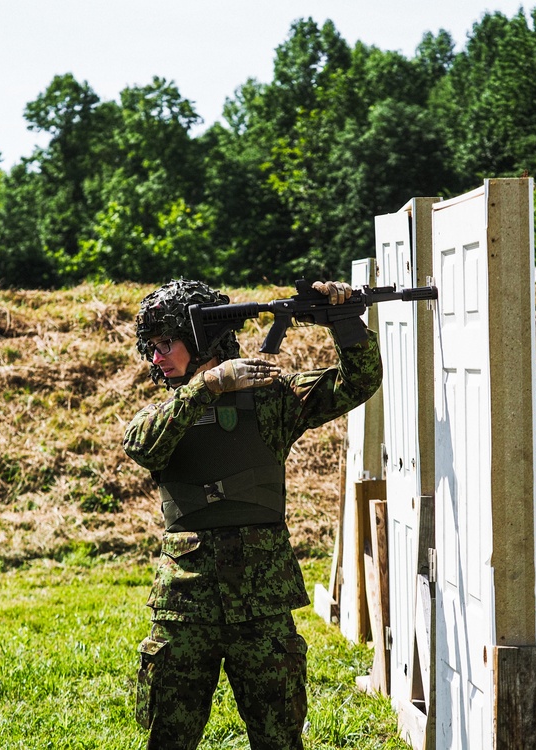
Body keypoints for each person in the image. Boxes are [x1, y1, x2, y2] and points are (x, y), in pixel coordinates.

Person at [124, 279, 382, 750]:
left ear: (199, 339)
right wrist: (208, 385)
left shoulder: (270, 398)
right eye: (153, 347)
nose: (156, 358)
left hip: (262, 603)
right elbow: (140, 444)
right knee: (169, 738)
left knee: (279, 738)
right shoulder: (166, 413)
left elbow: (358, 381)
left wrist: (344, 320)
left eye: (167, 344)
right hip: (185, 605)